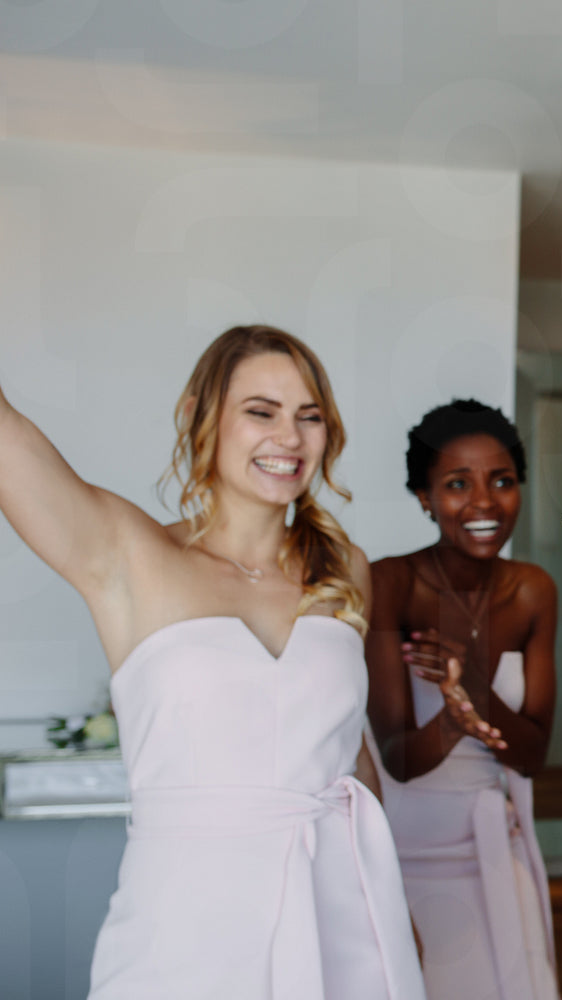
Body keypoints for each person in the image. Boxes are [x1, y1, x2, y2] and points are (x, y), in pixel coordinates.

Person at [0, 325, 424, 998]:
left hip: (340, 912)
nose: (289, 437)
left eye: (309, 416)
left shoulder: (345, 569)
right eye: (261, 411)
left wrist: (393, 909)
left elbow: (352, 755)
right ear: (201, 416)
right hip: (185, 917)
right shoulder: (129, 555)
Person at [365, 399, 560, 1000]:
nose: (484, 503)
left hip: (495, 848)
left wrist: (468, 686)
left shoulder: (532, 591)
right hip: (406, 853)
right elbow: (400, 758)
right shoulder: (389, 583)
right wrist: (462, 713)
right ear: (424, 498)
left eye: (502, 481)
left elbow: (531, 755)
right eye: (456, 484)